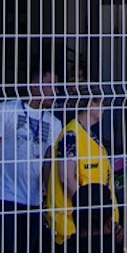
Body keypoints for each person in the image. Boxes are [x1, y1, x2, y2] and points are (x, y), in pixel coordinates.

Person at [0, 63, 64, 253]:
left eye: (57, 86)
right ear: (34, 86)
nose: (55, 91)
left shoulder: (54, 123)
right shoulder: (5, 111)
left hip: (34, 201)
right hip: (6, 196)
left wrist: (48, 197)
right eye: (50, 85)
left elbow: (48, 162)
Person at [46, 88, 121, 244]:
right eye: (102, 103)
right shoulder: (72, 135)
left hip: (96, 228)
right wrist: (92, 213)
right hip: (76, 230)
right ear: (90, 104)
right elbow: (66, 178)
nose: (104, 108)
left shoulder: (91, 139)